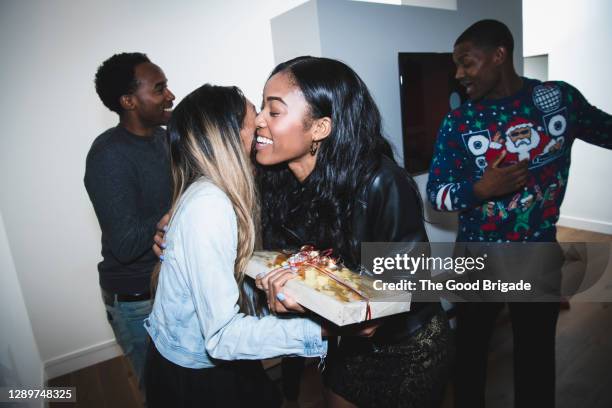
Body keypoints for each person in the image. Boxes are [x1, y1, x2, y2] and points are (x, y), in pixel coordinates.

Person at [426, 20, 611, 408]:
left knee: (536, 356)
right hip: (477, 258)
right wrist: (480, 190)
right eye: (455, 66)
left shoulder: (558, 100)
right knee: (471, 354)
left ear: (499, 55)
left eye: (467, 63)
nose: (458, 75)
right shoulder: (459, 123)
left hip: (537, 255)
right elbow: (436, 197)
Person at [255, 56, 453, 408]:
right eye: (261, 108)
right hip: (345, 345)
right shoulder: (276, 182)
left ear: (320, 128)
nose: (257, 121)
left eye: (273, 111)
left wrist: (304, 301)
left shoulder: (382, 182)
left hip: (406, 347)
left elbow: (382, 309)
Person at [143, 84, 328, 408]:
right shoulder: (210, 205)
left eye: (269, 112)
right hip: (196, 377)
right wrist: (321, 331)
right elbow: (222, 337)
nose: (260, 122)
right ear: (227, 135)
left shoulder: (218, 190)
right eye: (254, 116)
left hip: (198, 363)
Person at [84, 52, 175, 387]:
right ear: (128, 101)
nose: (170, 95)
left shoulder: (163, 139)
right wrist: (181, 205)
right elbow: (125, 244)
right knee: (159, 390)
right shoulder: (108, 155)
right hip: (138, 301)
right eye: (160, 88)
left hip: (168, 285)